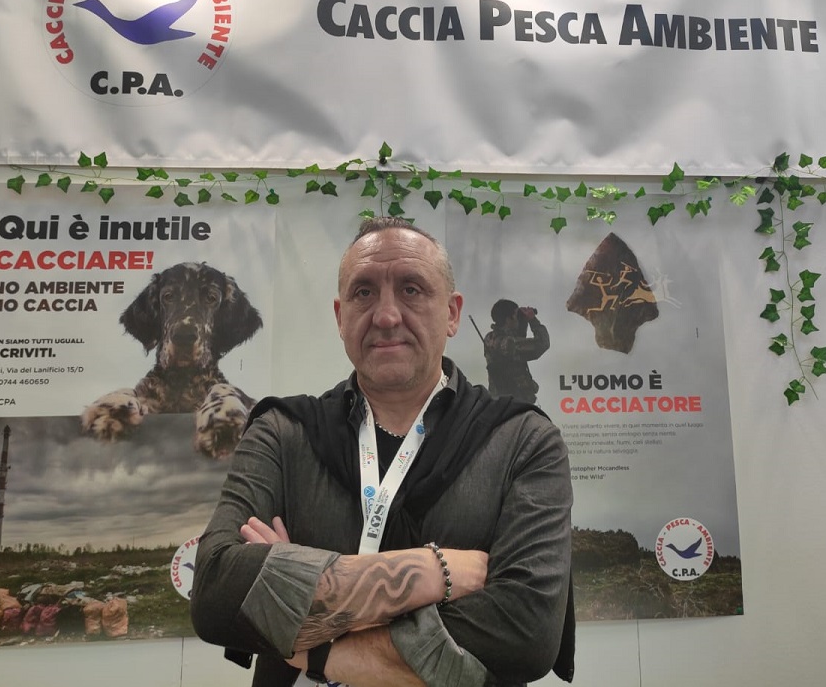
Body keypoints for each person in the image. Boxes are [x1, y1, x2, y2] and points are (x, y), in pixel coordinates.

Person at [191, 217, 574, 687]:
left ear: (452, 313)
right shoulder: (282, 432)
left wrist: (312, 641)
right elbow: (215, 592)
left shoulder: (523, 441)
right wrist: (436, 572)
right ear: (341, 317)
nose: (387, 315)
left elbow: (524, 633)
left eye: (411, 289)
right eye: (364, 292)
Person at [482, 299, 550, 405]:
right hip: (516, 402)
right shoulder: (509, 343)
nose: (517, 318)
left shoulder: (490, 338)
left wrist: (522, 320)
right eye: (515, 315)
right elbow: (542, 343)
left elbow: (517, 340)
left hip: (499, 401)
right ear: (508, 319)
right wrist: (533, 320)